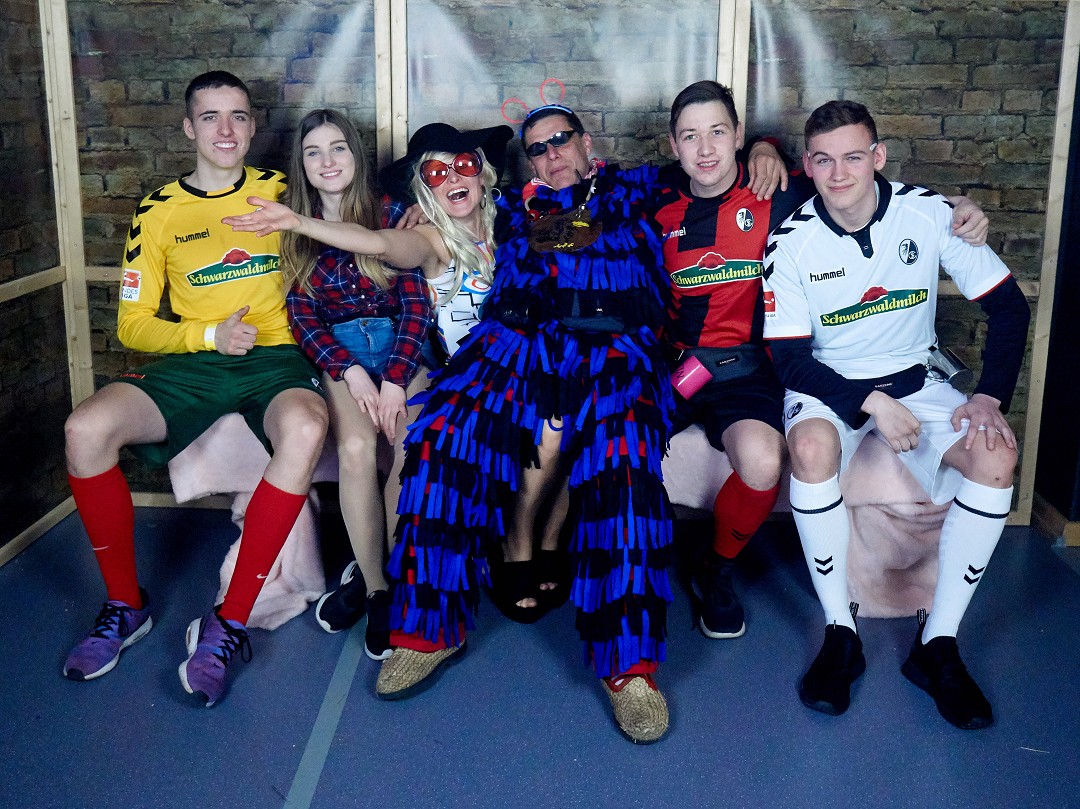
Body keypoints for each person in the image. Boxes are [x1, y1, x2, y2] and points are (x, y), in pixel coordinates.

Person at [376, 104, 676, 744]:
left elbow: (711, 171)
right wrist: (410, 211)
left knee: (626, 472)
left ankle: (630, 671)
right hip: (524, 350)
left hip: (620, 356)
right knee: (441, 440)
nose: (551, 153)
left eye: (561, 140)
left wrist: (765, 147)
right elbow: (431, 220)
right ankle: (428, 630)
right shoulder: (512, 211)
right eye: (538, 148)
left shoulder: (638, 191)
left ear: (586, 143)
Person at [652, 81, 990, 642]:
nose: (705, 148)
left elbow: (866, 187)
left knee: (764, 462)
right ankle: (630, 569)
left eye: (718, 132)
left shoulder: (782, 189)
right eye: (690, 136)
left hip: (749, 370)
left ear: (738, 136)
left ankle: (714, 568)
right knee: (612, 442)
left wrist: (959, 208)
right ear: (673, 145)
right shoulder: (653, 199)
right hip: (668, 364)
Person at [61, 71, 329, 707]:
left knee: (307, 427)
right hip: (197, 358)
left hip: (277, 360)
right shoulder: (158, 210)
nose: (226, 130)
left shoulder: (284, 191)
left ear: (254, 126)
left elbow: (354, 215)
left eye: (238, 116)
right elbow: (131, 323)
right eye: (210, 117)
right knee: (84, 429)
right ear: (188, 128)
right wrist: (208, 335)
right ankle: (125, 605)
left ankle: (228, 623)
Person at [762, 100, 1029, 729]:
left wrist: (989, 395)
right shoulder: (790, 241)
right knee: (810, 449)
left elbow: (1009, 309)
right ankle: (840, 632)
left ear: (878, 157)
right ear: (808, 166)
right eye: (823, 160)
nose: (839, 173)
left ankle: (938, 644)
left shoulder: (932, 213)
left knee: (996, 455)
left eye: (853, 157)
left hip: (918, 378)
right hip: (830, 383)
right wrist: (871, 404)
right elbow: (790, 360)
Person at [222, 115, 511, 658]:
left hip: (404, 346)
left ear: (356, 156)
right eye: (313, 152)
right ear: (302, 165)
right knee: (356, 447)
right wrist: (350, 371)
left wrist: (396, 379)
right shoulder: (292, 223)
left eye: (338, 148)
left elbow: (414, 303)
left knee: (409, 442)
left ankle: (399, 575)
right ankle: (377, 589)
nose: (328, 161)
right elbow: (302, 315)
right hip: (341, 354)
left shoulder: (395, 213)